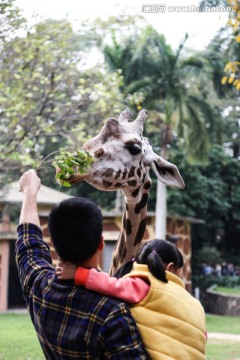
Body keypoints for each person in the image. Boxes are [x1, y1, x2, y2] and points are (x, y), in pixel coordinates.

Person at [16, 169, 148, 359]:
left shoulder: (39, 288)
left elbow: (28, 243)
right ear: (101, 243)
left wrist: (29, 193)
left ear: (52, 243)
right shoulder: (112, 313)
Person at [57, 239, 207, 360]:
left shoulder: (144, 284)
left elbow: (111, 285)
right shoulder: (194, 303)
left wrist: (78, 274)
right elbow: (203, 336)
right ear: (170, 267)